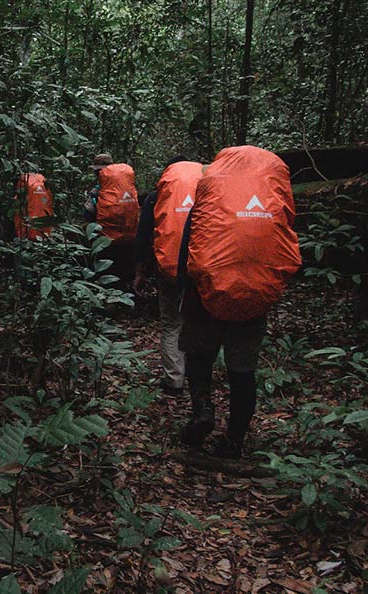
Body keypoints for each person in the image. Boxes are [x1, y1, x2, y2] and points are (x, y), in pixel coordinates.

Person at [177, 145, 302, 459]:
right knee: (242, 372)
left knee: (198, 357)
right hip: (255, 297)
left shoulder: (209, 199)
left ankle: (203, 409)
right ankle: (234, 441)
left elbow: (187, 247)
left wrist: (184, 287)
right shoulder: (273, 202)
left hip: (205, 294)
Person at [133, 156, 204, 396]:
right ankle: (199, 380)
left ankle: (174, 380)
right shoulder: (209, 193)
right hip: (202, 269)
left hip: (168, 268)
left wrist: (140, 271)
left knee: (172, 323)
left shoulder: (157, 197)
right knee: (199, 322)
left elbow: (143, 235)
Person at [86, 153, 139, 278]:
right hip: (130, 240)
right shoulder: (128, 188)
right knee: (127, 274)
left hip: (107, 242)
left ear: (99, 172)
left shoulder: (97, 192)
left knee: (109, 276)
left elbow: (88, 214)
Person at [13, 172, 54, 239]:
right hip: (45, 233)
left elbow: (17, 207)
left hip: (28, 233)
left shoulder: (25, 181)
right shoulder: (42, 181)